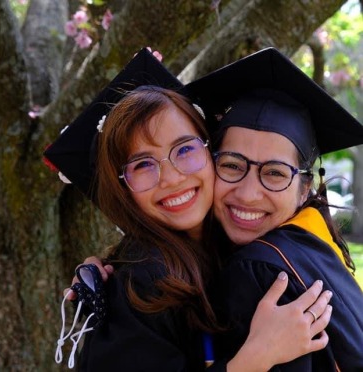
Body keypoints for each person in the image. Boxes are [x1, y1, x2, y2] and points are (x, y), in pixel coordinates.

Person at [44, 48, 332, 371]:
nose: (172, 178)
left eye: (184, 149)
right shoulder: (144, 282)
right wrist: (255, 358)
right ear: (122, 188)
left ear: (209, 148)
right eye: (142, 165)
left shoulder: (231, 243)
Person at [186, 47, 363, 370]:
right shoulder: (314, 245)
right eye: (232, 165)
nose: (249, 194)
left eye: (275, 173)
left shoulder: (259, 272)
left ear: (304, 189)